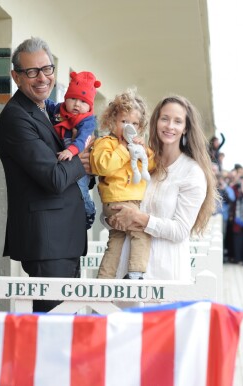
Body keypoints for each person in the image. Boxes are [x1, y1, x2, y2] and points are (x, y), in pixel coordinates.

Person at [0, 37, 90, 312]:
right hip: (47, 242)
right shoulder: (15, 118)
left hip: (64, 238)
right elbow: (54, 177)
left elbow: (66, 170)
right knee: (52, 330)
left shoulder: (47, 110)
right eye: (31, 71)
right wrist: (83, 161)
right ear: (16, 76)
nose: (42, 78)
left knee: (67, 325)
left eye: (47, 69)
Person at [105, 95, 218, 281]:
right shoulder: (143, 160)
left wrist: (139, 218)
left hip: (164, 271)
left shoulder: (192, 172)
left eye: (178, 121)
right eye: (164, 118)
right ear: (156, 121)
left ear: (186, 128)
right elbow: (116, 199)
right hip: (126, 268)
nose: (169, 126)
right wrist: (110, 218)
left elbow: (181, 230)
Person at [90, 89, 155, 280]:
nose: (129, 127)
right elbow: (103, 166)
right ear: (112, 121)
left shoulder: (138, 146)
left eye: (134, 123)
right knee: (141, 232)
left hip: (128, 200)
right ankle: (135, 274)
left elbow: (151, 167)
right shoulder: (106, 142)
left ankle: (104, 281)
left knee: (116, 240)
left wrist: (144, 152)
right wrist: (123, 149)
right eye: (124, 122)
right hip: (119, 200)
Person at [45, 71, 101, 229]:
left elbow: (82, 139)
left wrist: (71, 151)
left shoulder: (87, 120)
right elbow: (46, 105)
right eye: (73, 98)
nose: (77, 104)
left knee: (80, 187)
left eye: (83, 101)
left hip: (77, 158)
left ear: (89, 105)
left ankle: (89, 210)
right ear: (66, 98)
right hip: (63, 160)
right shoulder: (59, 111)